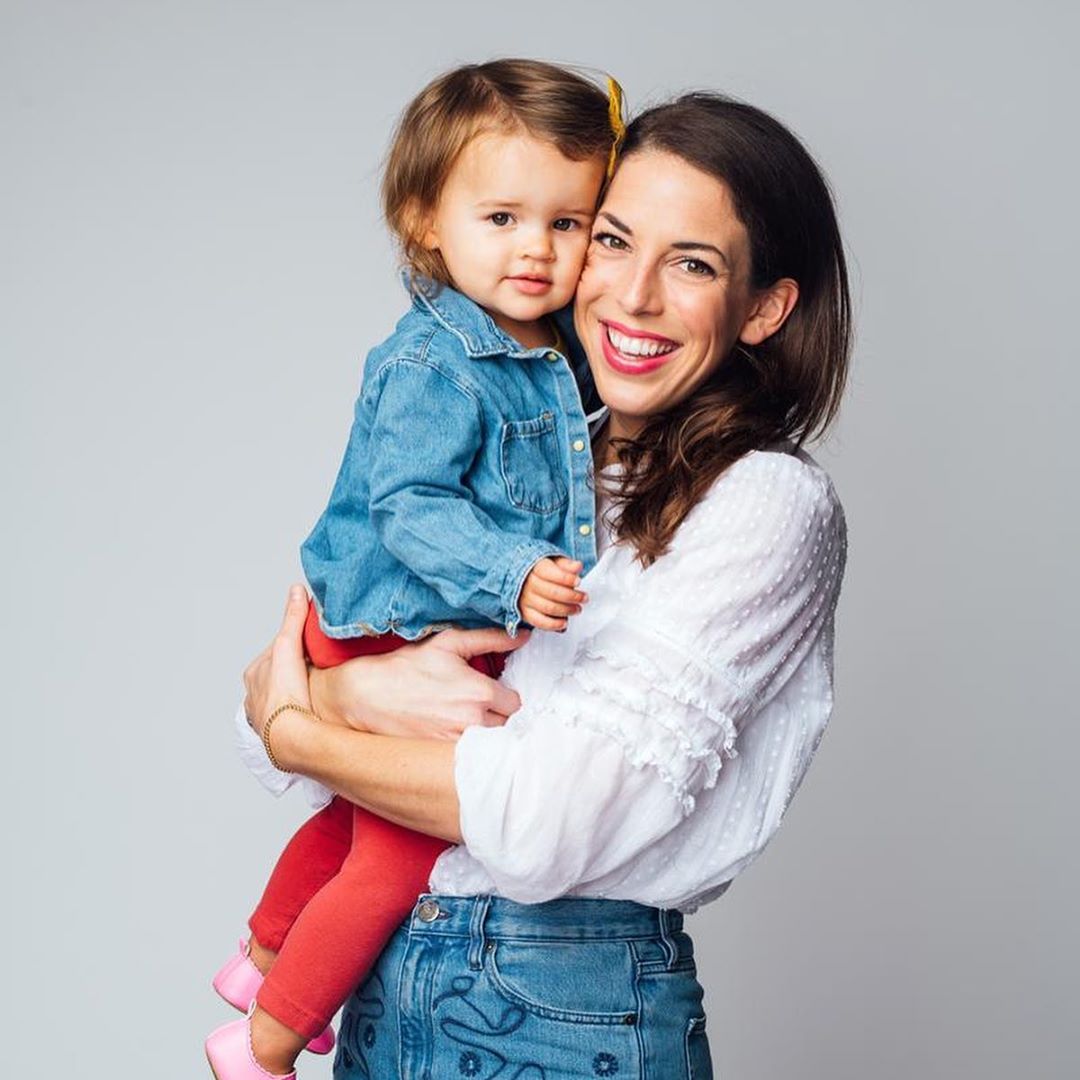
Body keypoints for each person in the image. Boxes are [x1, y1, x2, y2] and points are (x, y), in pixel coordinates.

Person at [240, 91, 851, 1079]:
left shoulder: (765, 503)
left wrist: (306, 727)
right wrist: (346, 695)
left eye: (692, 263)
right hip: (388, 978)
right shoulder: (532, 449)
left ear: (766, 307)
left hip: (563, 1003)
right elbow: (285, 670)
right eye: (610, 240)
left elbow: (542, 823)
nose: (633, 294)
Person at [205, 59, 625, 1080]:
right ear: (424, 219)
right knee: (398, 859)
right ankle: (259, 1047)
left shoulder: (550, 345)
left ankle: (261, 959)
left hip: (406, 623)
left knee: (361, 818)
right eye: (504, 217)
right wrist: (516, 571)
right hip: (381, 619)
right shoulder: (434, 361)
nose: (537, 247)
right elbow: (410, 505)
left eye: (569, 224)